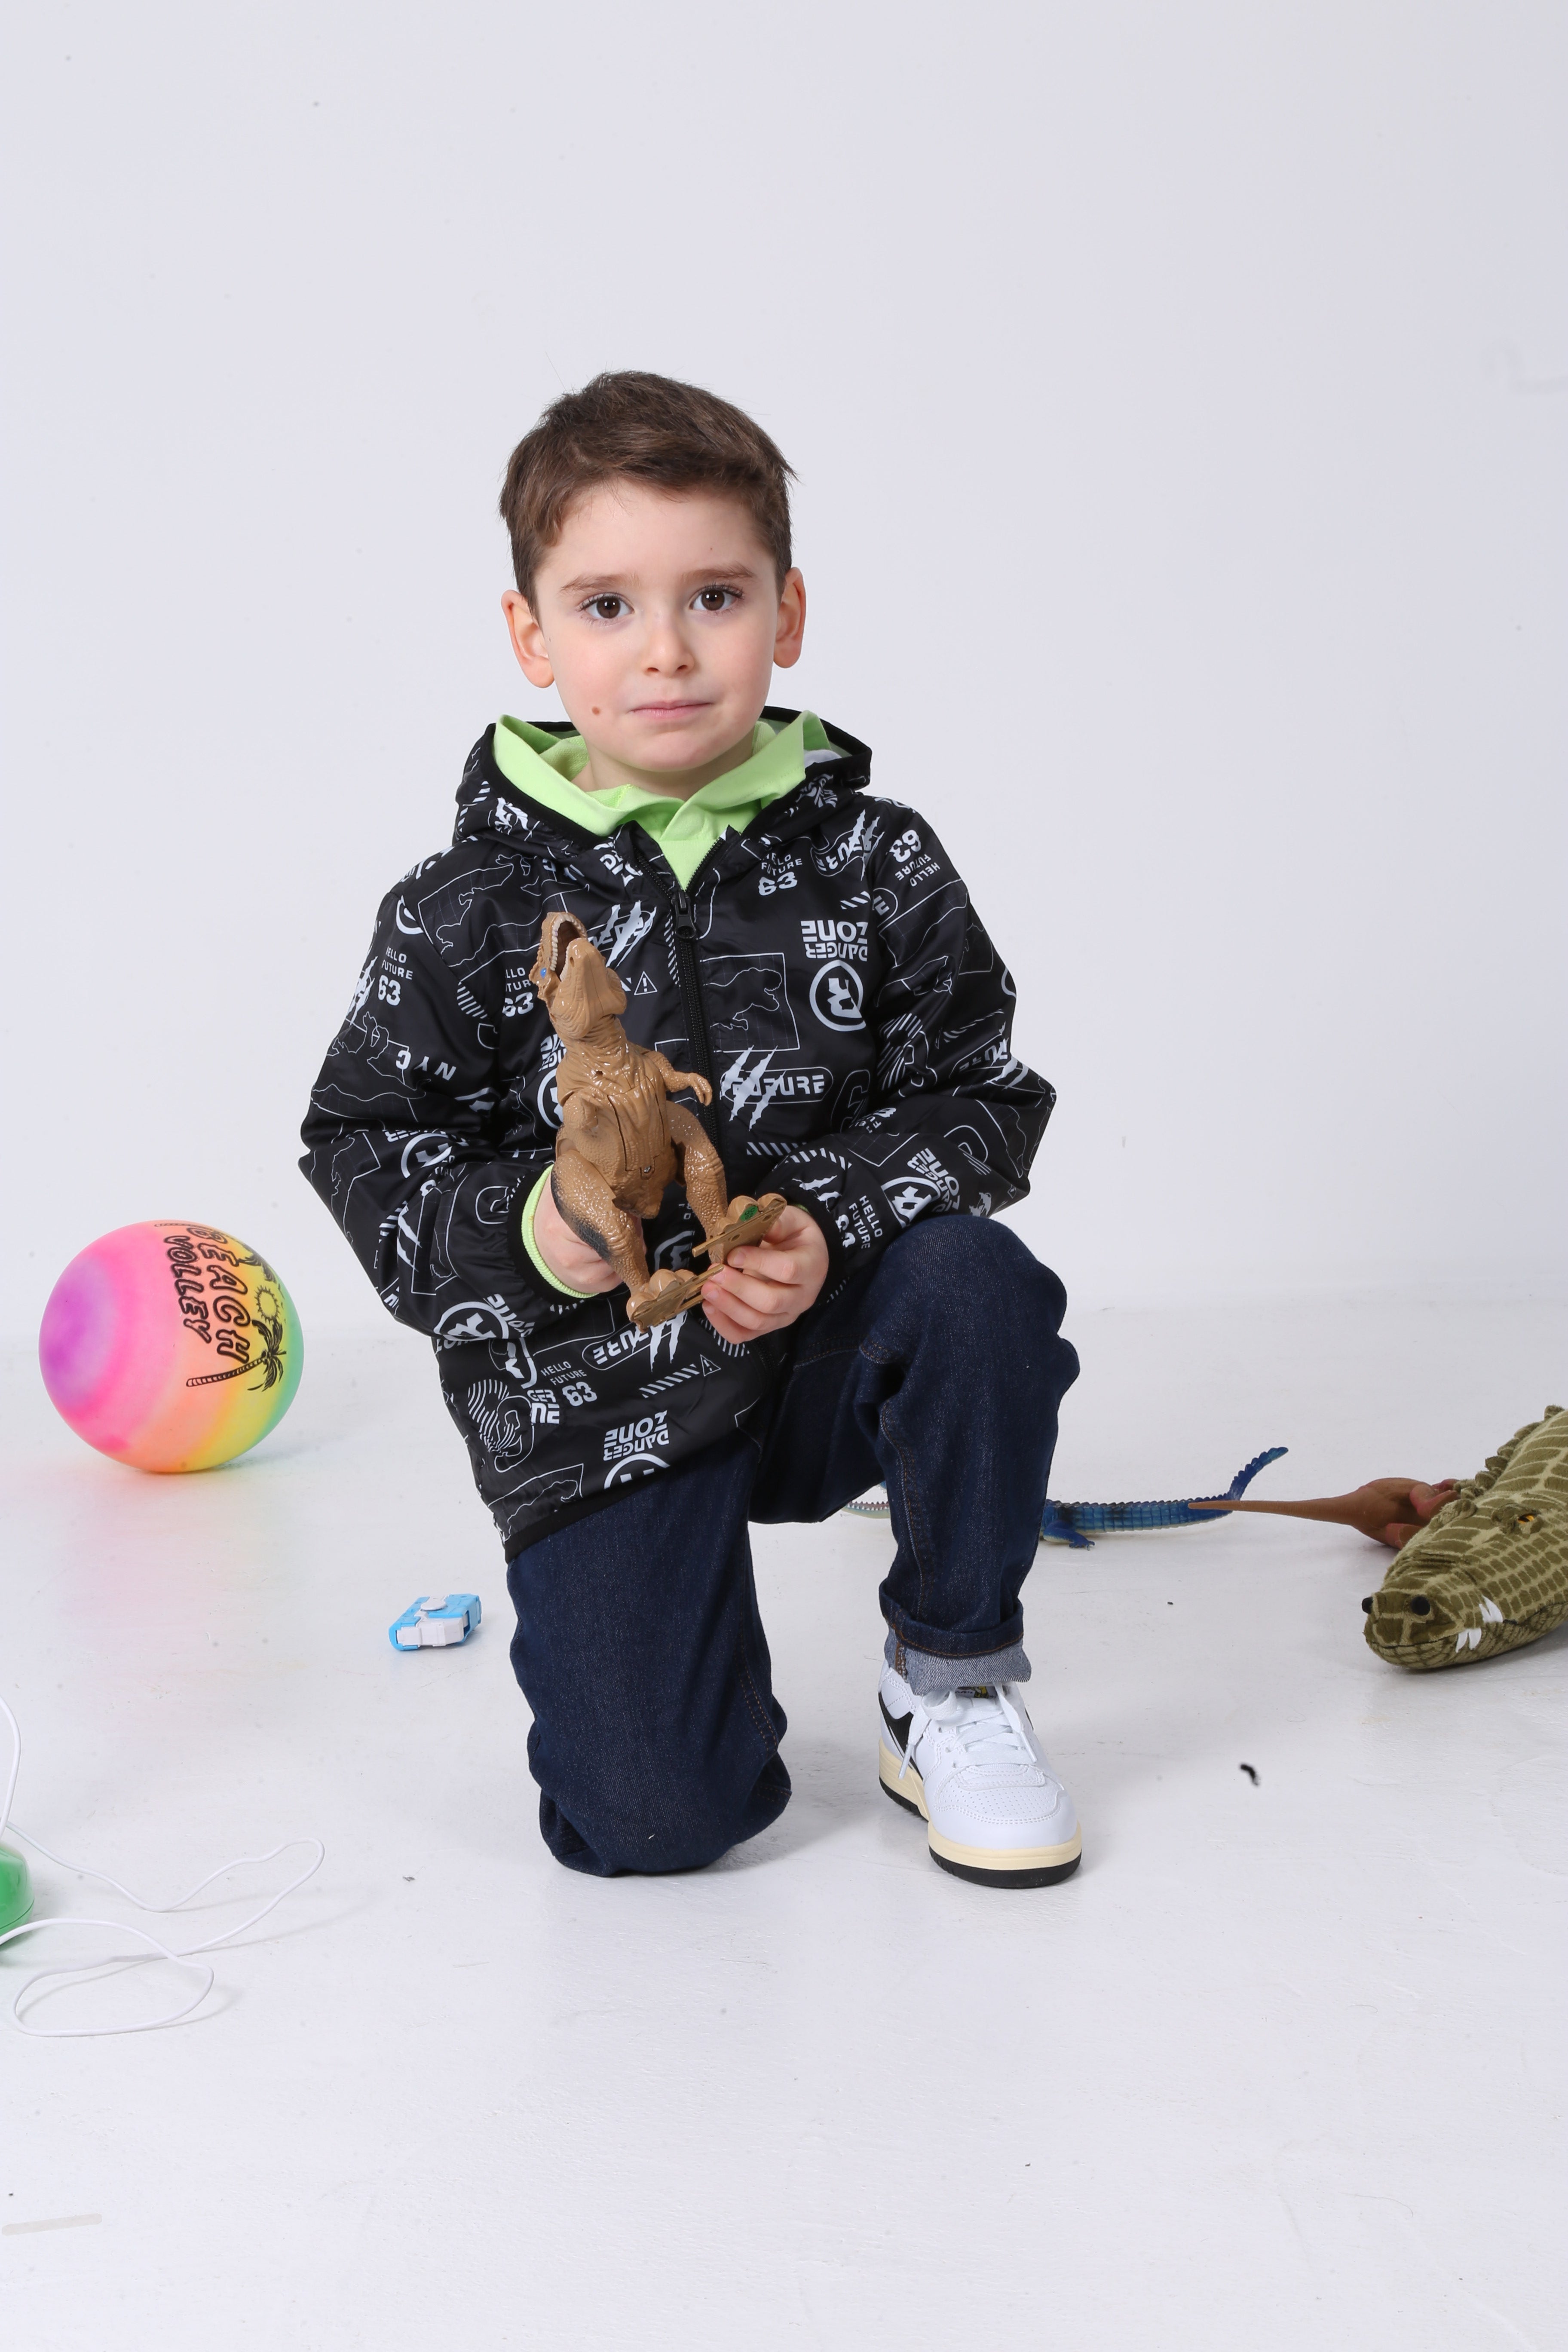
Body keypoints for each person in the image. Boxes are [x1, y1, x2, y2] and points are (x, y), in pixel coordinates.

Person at [301, 371, 1081, 1886]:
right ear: (532, 635)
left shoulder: (878, 860)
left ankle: (951, 1678)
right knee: (652, 1823)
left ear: (787, 613)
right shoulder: (463, 910)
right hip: (598, 1401)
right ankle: (657, 1663)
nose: (665, 649)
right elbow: (366, 1144)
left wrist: (828, 1223)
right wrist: (539, 1233)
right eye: (607, 606)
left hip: (823, 1354)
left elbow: (987, 1099)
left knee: (975, 1284)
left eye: (714, 596)